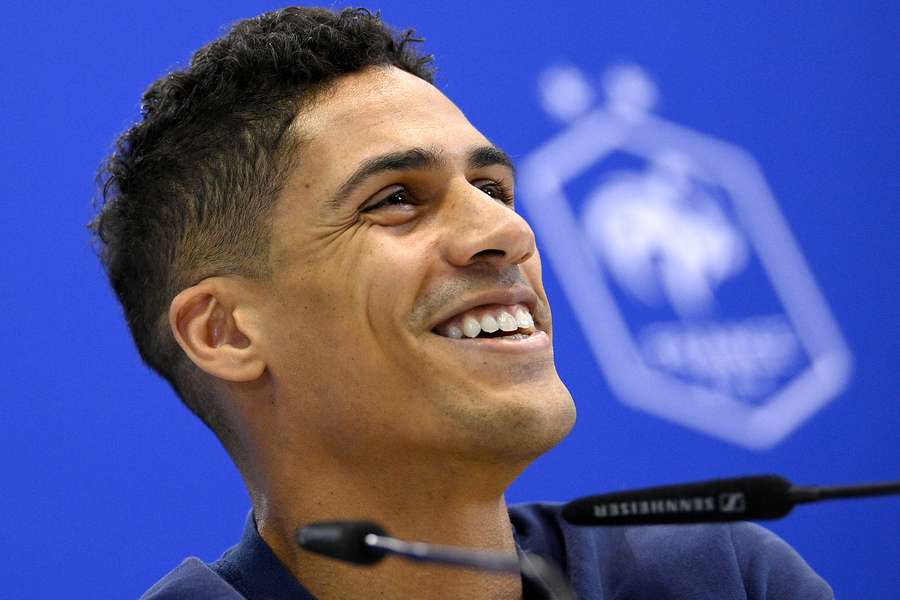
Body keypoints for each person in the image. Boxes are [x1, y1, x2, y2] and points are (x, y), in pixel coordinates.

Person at [91, 7, 833, 599]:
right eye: (395, 201)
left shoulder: (719, 578)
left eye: (492, 189)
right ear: (224, 333)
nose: (507, 230)